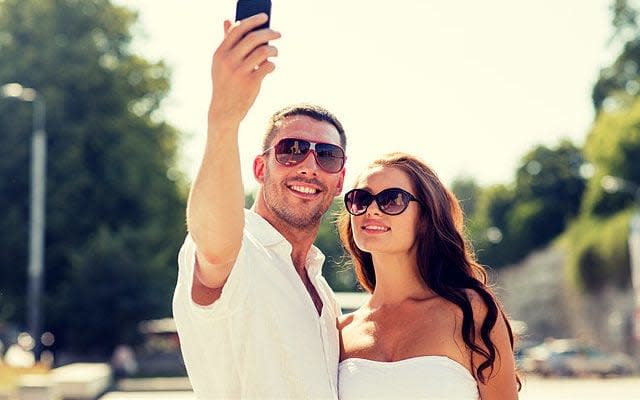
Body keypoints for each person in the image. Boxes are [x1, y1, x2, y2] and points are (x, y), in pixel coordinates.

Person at [172, 13, 348, 399]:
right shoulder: (239, 251)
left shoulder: (322, 288)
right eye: (291, 150)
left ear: (340, 181)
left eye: (328, 156)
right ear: (259, 168)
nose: (308, 165)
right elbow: (215, 249)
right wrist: (224, 118)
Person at [337, 153, 520, 400]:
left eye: (391, 199)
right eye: (361, 199)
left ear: (425, 217)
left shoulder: (471, 312)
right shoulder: (339, 333)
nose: (371, 209)